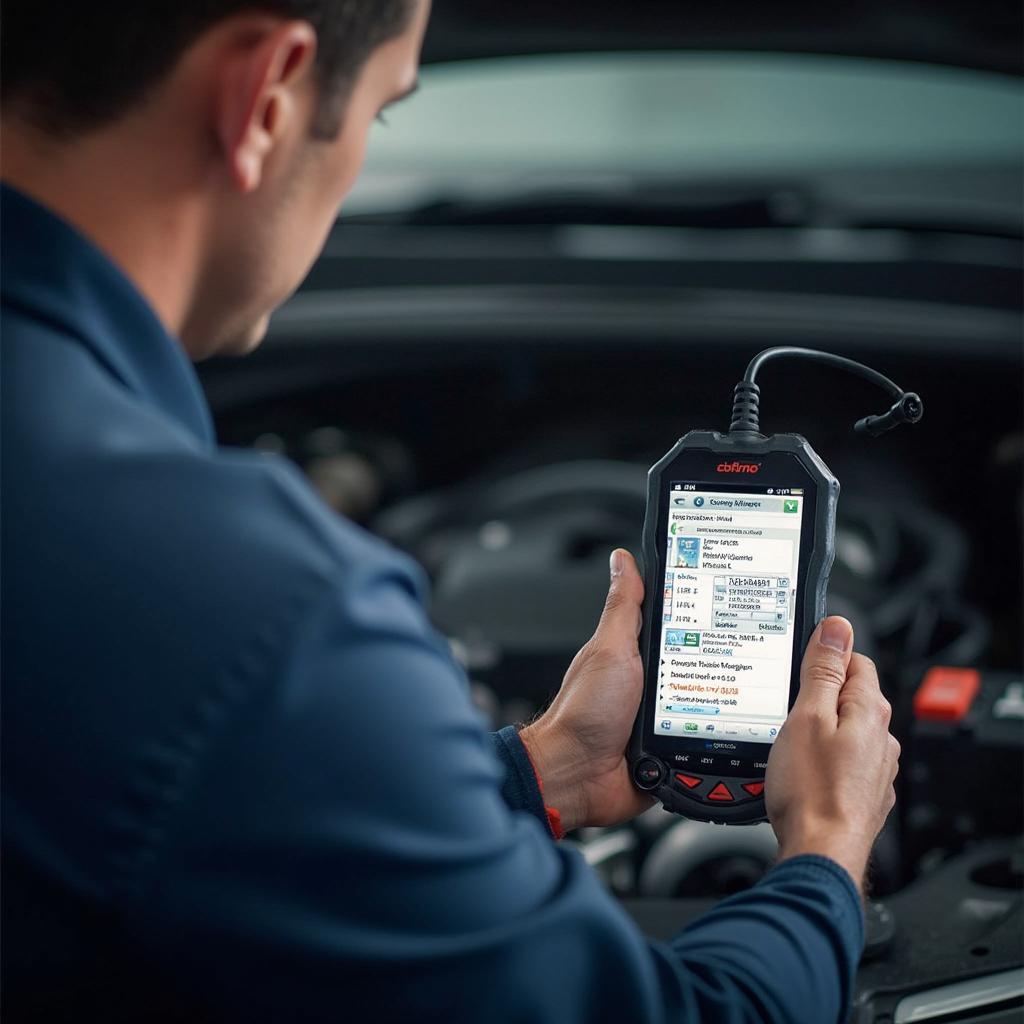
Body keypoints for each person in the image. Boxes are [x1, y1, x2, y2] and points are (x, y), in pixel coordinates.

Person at [0, 2, 901, 1021]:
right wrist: (826, 847)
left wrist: (540, 772)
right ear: (266, 98)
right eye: (381, 113)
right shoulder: (256, 616)